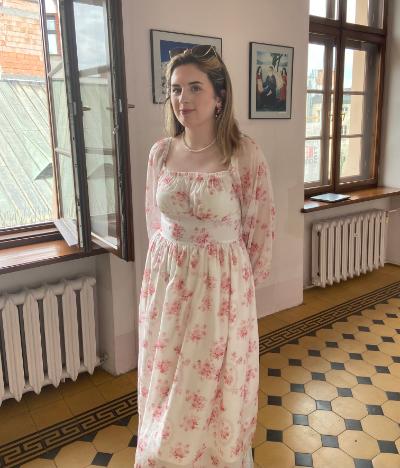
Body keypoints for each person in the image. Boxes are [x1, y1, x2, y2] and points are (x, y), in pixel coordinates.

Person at [136, 45, 275, 468]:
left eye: (195, 87)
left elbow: (260, 227)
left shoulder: (243, 154)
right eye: (176, 89)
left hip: (221, 291)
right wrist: (162, 280)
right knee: (166, 381)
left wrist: (240, 294)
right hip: (168, 288)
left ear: (219, 96)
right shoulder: (161, 153)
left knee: (210, 385)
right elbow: (154, 223)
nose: (183, 99)